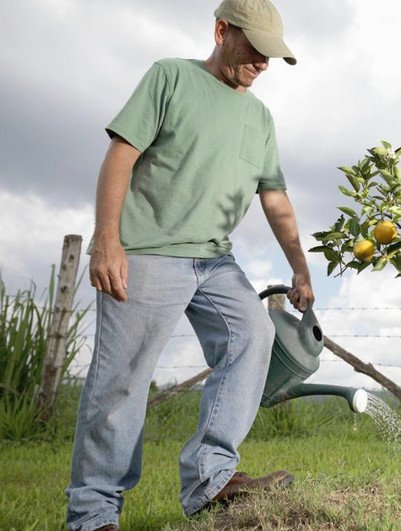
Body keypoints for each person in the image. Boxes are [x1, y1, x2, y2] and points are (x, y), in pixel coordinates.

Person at [65, 1, 314, 529]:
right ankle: (93, 515)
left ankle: (212, 478)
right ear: (222, 31)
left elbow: (275, 199)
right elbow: (121, 155)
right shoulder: (170, 77)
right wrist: (107, 239)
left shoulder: (260, 117)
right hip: (147, 250)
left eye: (273, 55)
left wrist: (301, 267)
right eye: (256, 50)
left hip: (214, 259)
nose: (264, 64)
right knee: (122, 382)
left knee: (253, 333)